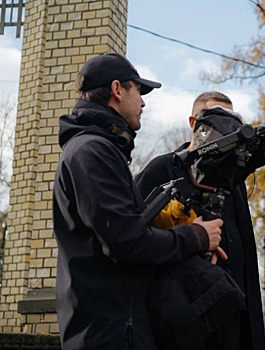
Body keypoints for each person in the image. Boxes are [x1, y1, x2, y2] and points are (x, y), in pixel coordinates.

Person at [53, 53, 224, 350]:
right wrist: (195, 236)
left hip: (114, 327)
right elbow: (126, 242)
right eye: (139, 90)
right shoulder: (92, 151)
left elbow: (122, 233)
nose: (143, 102)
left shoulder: (98, 149)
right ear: (118, 90)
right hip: (109, 333)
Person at [134, 91, 265, 350]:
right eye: (216, 117)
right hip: (180, 313)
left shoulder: (234, 181)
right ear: (194, 122)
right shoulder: (161, 170)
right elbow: (135, 237)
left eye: (232, 121)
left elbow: (245, 252)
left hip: (230, 310)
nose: (225, 128)